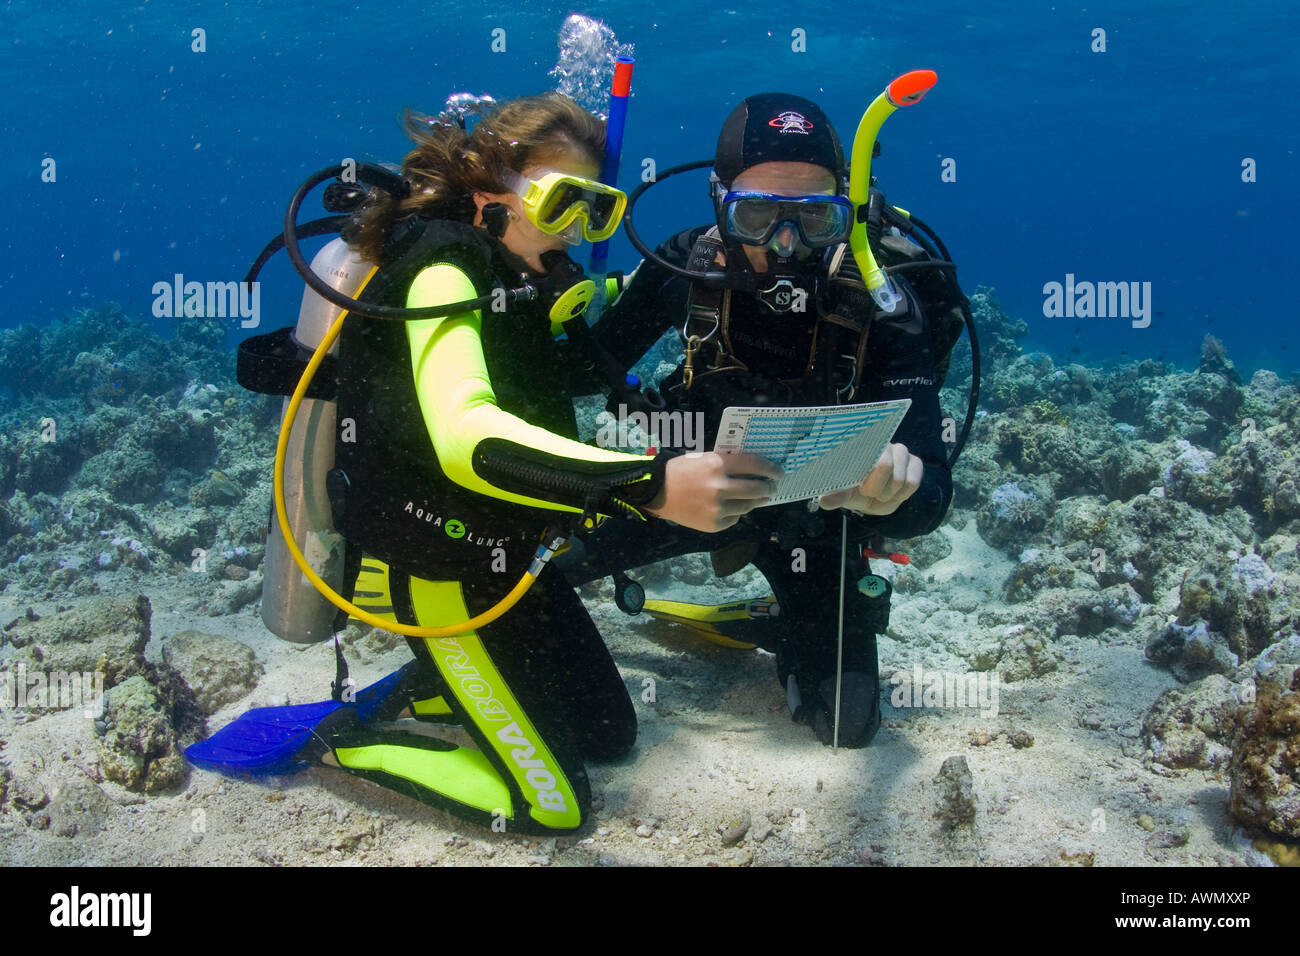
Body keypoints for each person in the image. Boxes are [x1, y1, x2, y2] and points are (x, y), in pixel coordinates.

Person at [194, 92, 780, 834]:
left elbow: (561, 391)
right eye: (562, 203)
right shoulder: (445, 264)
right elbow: (467, 438)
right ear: (487, 192)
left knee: (611, 737)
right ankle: (339, 741)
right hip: (433, 572)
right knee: (553, 805)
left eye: (595, 212)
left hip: (507, 560)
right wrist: (650, 484)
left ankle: (439, 684)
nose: (574, 232)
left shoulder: (517, 277)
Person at [564, 92, 965, 749]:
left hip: (821, 524)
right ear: (720, 204)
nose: (785, 244)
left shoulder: (887, 293)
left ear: (850, 208)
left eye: (815, 218)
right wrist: (540, 297)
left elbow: (933, 495)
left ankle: (784, 619)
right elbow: (578, 376)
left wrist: (894, 491)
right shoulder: (688, 264)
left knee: (850, 724)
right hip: (680, 496)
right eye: (756, 216)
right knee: (533, 569)